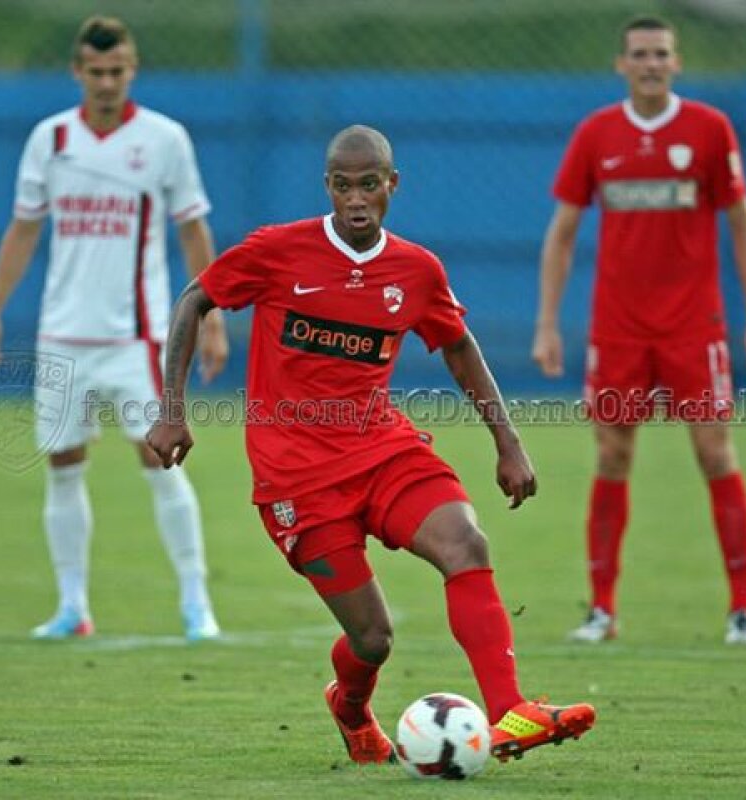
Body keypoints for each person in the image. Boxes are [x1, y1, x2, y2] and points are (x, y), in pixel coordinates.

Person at [147, 125, 595, 764]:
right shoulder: (278, 251)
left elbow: (458, 345)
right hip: (296, 476)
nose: (356, 199)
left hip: (383, 449)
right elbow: (196, 299)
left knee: (466, 542)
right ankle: (350, 707)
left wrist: (509, 442)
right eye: (343, 185)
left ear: (392, 184)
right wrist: (172, 411)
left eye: (369, 184)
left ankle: (510, 712)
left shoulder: (415, 270)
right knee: (373, 638)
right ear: (327, 186)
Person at [0, 16, 226, 642]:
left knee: (160, 458)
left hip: (136, 337)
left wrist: (212, 315)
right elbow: (24, 228)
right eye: (96, 72)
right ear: (77, 72)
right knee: (63, 464)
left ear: (132, 70)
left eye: (118, 72)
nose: (108, 82)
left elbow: (193, 228)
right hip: (63, 335)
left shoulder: (165, 140)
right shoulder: (51, 139)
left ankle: (197, 605)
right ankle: (72, 607)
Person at [531, 15, 746, 645]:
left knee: (714, 452)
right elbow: (561, 234)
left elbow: (742, 223)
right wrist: (547, 324)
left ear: (677, 62)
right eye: (639, 54)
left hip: (696, 327)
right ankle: (602, 611)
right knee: (613, 456)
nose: (650, 63)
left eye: (661, 54)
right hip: (618, 330)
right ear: (621, 64)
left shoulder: (708, 129)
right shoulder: (596, 134)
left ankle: (742, 608)